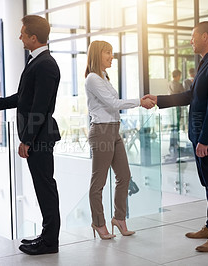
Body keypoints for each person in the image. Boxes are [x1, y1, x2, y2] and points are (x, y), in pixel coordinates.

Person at [144, 21, 208, 252]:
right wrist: (158, 99)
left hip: (207, 137)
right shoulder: (206, 63)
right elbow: (190, 96)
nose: (190, 41)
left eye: (193, 36)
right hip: (200, 135)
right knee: (207, 183)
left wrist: (204, 139)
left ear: (205, 37)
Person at [0, 15, 61, 255]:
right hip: (37, 134)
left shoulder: (45, 64)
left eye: (23, 33)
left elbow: (39, 106)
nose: (20, 37)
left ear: (33, 37)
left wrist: (27, 140)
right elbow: (23, 98)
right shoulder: (37, 62)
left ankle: (49, 242)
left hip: (39, 136)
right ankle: (47, 236)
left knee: (45, 187)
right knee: (42, 186)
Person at [85, 40, 154, 240]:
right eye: (108, 53)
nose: (111, 56)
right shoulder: (92, 78)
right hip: (102, 131)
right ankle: (98, 222)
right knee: (98, 182)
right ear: (98, 54)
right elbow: (113, 103)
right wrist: (140, 102)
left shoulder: (104, 77)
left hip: (114, 130)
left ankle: (119, 219)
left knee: (124, 176)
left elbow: (112, 104)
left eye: (112, 53)